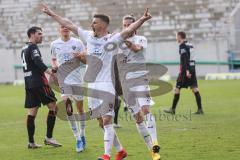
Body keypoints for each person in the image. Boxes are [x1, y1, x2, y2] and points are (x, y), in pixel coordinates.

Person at [42, 4, 152, 160]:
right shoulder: (87, 36)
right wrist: (52, 14)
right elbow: (69, 24)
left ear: (103, 25)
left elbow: (128, 30)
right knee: (101, 122)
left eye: (94, 22)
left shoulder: (112, 39)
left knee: (107, 120)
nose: (91, 24)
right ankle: (120, 151)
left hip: (106, 83)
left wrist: (142, 19)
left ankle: (106, 155)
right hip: (92, 85)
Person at [116, 15, 161, 160]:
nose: (127, 27)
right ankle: (152, 151)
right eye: (125, 25)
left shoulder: (141, 39)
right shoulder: (118, 42)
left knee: (146, 110)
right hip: (125, 83)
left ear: (136, 26)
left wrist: (125, 41)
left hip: (140, 78)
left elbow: (136, 49)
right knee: (137, 118)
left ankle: (155, 143)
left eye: (130, 24)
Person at [21, 26, 62, 149]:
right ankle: (49, 138)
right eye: (39, 33)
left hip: (29, 83)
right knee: (53, 106)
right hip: (39, 82)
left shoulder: (24, 48)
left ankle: (31, 142)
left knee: (32, 111)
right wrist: (52, 74)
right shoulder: (33, 47)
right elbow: (38, 62)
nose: (41, 36)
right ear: (32, 34)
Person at [50, 25, 86, 152]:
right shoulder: (54, 44)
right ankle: (78, 139)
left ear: (70, 30)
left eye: (67, 27)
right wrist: (54, 66)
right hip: (64, 80)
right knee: (68, 107)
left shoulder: (78, 42)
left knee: (80, 110)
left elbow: (86, 59)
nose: (65, 28)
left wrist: (80, 56)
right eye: (62, 27)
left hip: (77, 79)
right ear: (59, 29)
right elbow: (53, 59)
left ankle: (82, 134)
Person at [164, 31, 204, 115]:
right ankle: (200, 109)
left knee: (177, 88)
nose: (176, 38)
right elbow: (192, 58)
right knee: (194, 88)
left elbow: (185, 58)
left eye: (176, 36)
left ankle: (173, 109)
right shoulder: (190, 44)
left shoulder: (182, 46)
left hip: (185, 70)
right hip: (192, 68)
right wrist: (191, 69)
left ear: (179, 36)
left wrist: (186, 70)